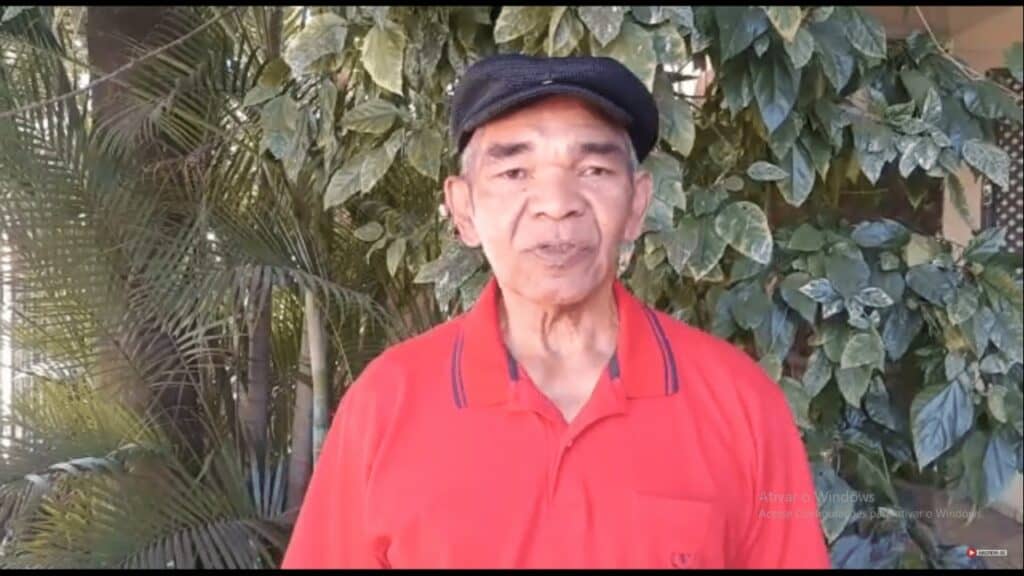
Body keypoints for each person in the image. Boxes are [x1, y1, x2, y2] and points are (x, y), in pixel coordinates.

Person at [282, 53, 831, 569]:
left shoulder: (741, 404)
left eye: (593, 170)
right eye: (515, 172)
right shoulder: (386, 405)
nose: (557, 203)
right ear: (463, 209)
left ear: (637, 204)